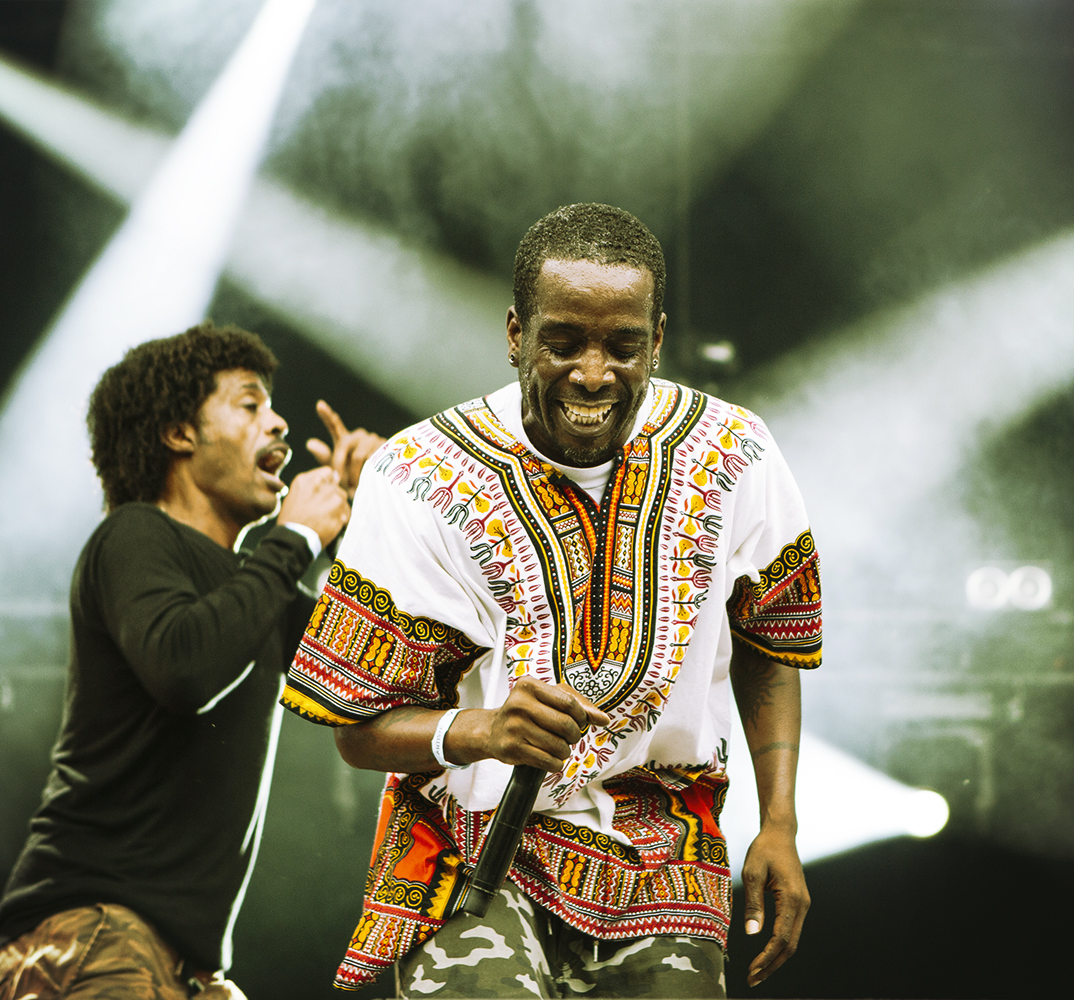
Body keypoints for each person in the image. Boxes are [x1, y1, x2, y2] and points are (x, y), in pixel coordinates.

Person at [283, 204, 821, 998]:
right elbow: (358, 735)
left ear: (658, 339)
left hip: (667, 856)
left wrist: (780, 822)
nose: (594, 374)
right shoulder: (420, 474)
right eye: (563, 342)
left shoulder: (736, 453)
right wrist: (486, 730)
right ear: (514, 334)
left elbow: (772, 648)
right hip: (475, 853)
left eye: (623, 345)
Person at [0, 322, 382, 999]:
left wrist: (377, 511)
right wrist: (293, 537)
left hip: (187, 968)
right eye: (250, 404)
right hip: (95, 931)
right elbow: (183, 670)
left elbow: (372, 673)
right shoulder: (133, 536)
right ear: (178, 433)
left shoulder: (261, 591)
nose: (279, 423)